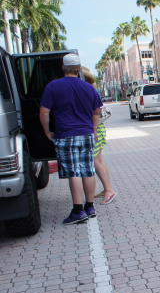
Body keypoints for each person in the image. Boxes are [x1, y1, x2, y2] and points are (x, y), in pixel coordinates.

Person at [39, 54, 103, 224]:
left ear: (63, 68)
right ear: (78, 68)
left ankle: (77, 211)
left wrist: (47, 132)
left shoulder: (53, 86)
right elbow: (97, 112)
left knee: (73, 172)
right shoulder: (89, 88)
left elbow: (44, 112)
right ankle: (90, 207)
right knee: (88, 170)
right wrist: (94, 130)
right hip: (86, 134)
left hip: (66, 135)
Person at [82, 67, 116, 205]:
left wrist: (93, 130)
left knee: (96, 161)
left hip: (95, 129)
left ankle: (109, 190)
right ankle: (107, 188)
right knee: (99, 160)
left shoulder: (87, 91)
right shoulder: (91, 89)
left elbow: (93, 113)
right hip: (99, 128)